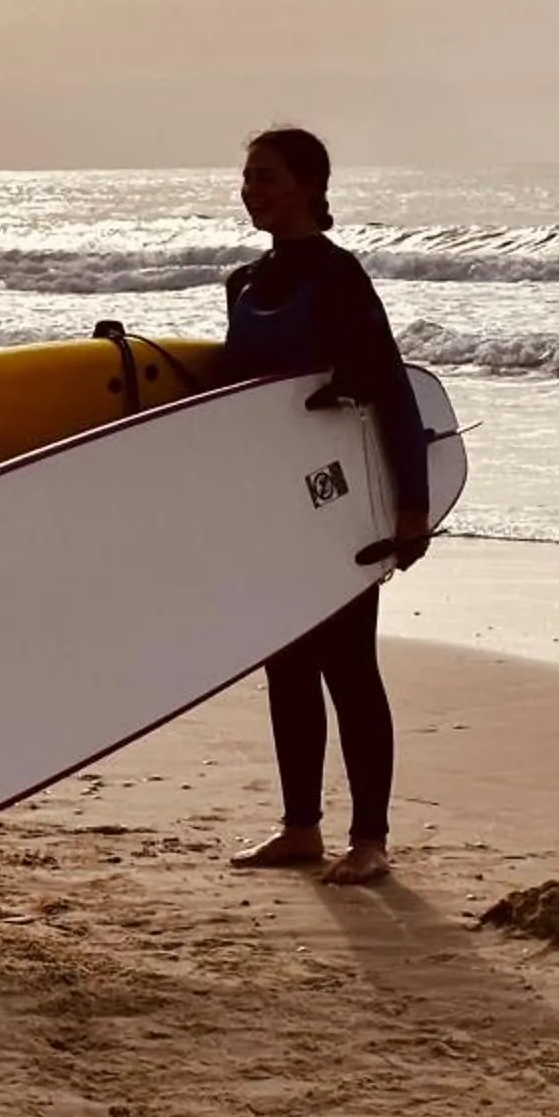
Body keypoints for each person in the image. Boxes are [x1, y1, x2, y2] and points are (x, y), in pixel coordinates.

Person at [214, 126, 432, 887]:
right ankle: (300, 827)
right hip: (273, 503)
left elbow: (391, 391)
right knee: (286, 664)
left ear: (309, 185)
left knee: (350, 665)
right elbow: (237, 405)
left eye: (267, 177)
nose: (251, 190)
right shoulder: (243, 283)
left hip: (335, 501)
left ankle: (369, 840)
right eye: (248, 177)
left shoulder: (339, 277)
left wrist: (412, 509)